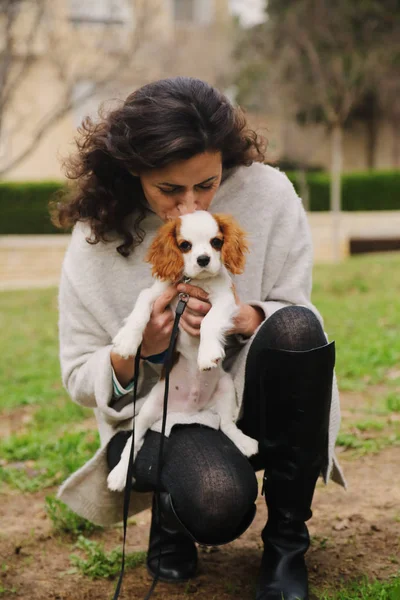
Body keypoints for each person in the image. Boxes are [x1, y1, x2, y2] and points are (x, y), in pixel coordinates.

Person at [53, 76, 346, 600]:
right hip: (159, 411)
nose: (190, 206)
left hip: (245, 395)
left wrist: (243, 317)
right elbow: (78, 375)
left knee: (302, 327)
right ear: (133, 169)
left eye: (206, 184)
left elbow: (293, 309)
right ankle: (173, 510)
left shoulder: (269, 194)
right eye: (170, 189)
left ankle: (286, 545)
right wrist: (139, 351)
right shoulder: (96, 232)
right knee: (215, 502)